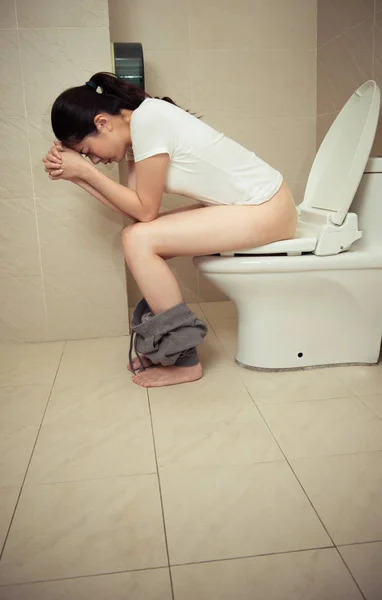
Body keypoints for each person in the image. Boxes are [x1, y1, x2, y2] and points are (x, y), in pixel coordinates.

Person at [43, 71, 297, 388]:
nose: (94, 159)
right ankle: (168, 347)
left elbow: (144, 210)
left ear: (103, 123)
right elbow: (139, 213)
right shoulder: (139, 131)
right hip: (252, 205)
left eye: (88, 149)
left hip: (266, 207)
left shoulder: (148, 120)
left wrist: (84, 172)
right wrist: (77, 177)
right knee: (138, 237)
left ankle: (184, 360)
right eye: (86, 157)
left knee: (137, 240)